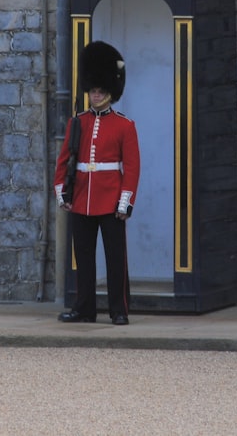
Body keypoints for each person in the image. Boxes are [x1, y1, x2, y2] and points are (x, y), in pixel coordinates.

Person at [54, 41, 140, 325]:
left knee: (116, 259)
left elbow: (132, 167)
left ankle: (119, 309)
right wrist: (61, 193)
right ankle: (85, 308)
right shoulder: (77, 122)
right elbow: (64, 159)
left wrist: (125, 201)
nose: (96, 95)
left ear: (110, 93)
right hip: (81, 197)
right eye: (93, 91)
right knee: (84, 259)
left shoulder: (124, 125)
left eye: (101, 91)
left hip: (110, 198)